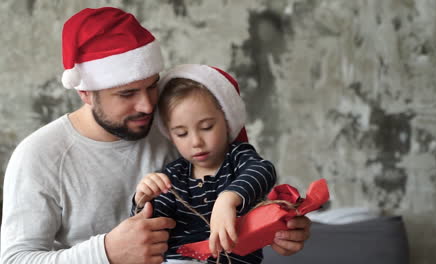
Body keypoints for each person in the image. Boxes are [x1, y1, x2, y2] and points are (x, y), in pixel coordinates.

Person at [1, 7, 310, 264]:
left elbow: (230, 184)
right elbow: (14, 259)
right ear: (85, 93)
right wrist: (106, 252)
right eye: (127, 94)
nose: (148, 105)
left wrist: (276, 224)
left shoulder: (175, 129)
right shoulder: (39, 156)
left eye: (151, 85)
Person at [133, 64, 276, 263]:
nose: (196, 142)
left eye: (207, 127)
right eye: (181, 133)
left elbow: (263, 171)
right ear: (170, 136)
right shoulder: (172, 177)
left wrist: (229, 198)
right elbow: (152, 225)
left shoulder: (238, 158)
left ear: (227, 121)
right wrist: (143, 199)